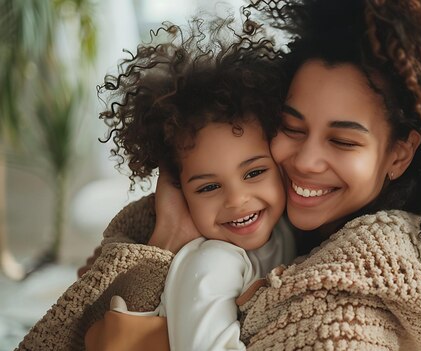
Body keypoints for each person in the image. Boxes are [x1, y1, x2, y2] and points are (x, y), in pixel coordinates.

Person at [17, 0, 421, 350]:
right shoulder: (282, 232)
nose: (304, 161)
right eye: (290, 127)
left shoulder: (355, 295)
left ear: (400, 155)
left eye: (343, 141)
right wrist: (161, 241)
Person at [83, 19, 294, 350]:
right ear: (179, 192)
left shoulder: (283, 228)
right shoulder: (211, 265)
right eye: (208, 187)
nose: (238, 200)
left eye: (254, 173)